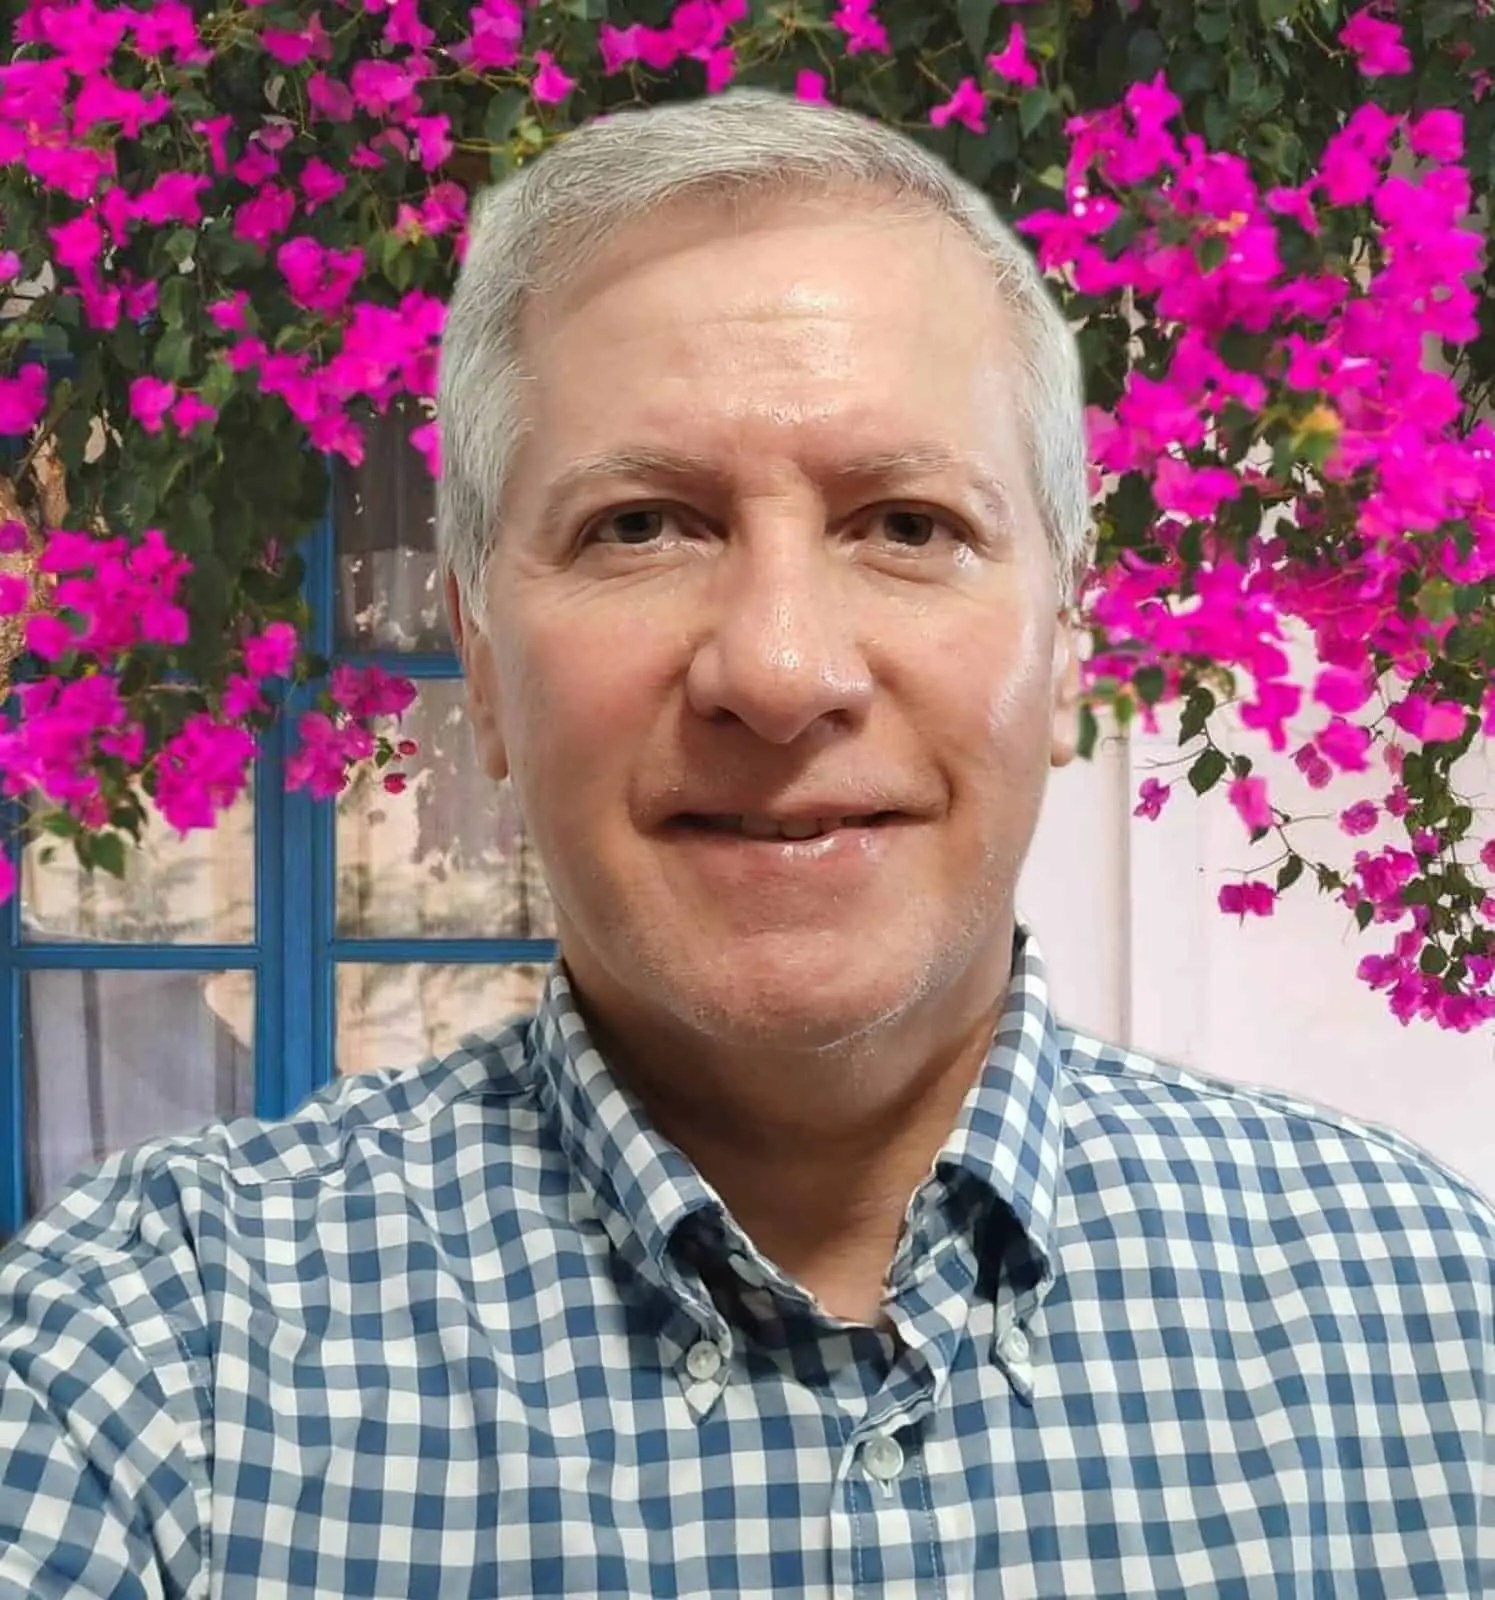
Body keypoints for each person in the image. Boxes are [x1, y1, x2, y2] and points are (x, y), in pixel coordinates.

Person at [2, 87, 1492, 1599]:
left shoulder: (1433, 1316)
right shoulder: (152, 1359)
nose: (780, 673)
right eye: (641, 526)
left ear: (1067, 646)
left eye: (907, 525)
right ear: (484, 664)